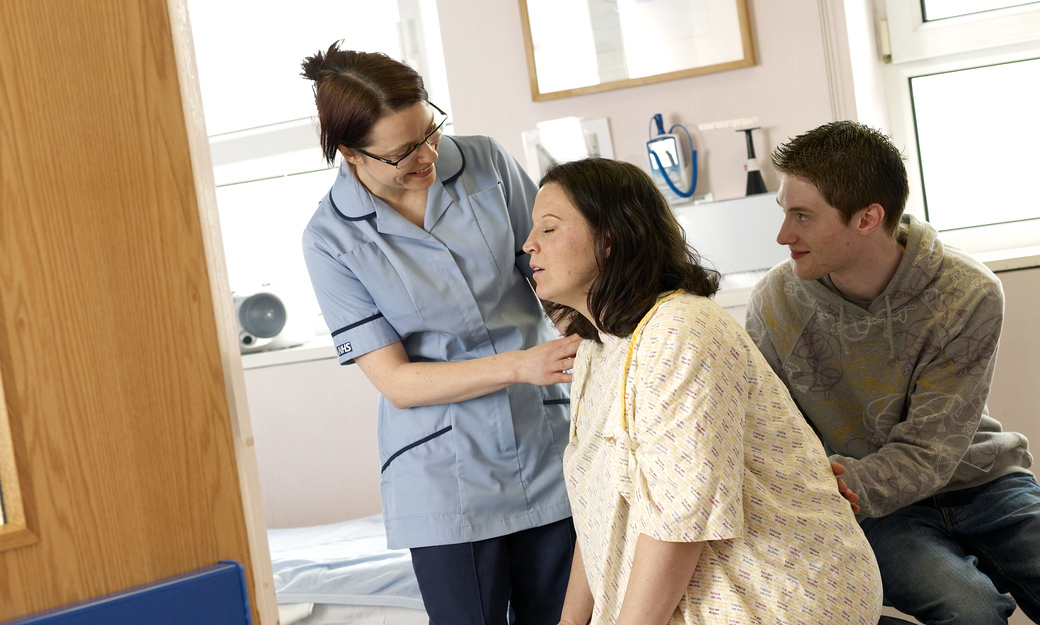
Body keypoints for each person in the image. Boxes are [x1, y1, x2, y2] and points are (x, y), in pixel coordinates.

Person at [523, 157, 883, 625]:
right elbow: (599, 512)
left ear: (610, 237)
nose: (529, 244)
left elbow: (678, 526)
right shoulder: (599, 346)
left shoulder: (679, 332)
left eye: (549, 229)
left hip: (776, 597)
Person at [299, 43, 580, 625]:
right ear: (351, 154)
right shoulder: (330, 238)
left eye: (432, 129)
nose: (428, 154)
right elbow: (397, 381)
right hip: (443, 473)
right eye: (403, 151)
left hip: (546, 442)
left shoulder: (485, 163)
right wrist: (521, 365)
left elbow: (559, 281)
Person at [745, 120, 1040, 625]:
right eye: (784, 212)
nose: (782, 235)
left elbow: (929, 451)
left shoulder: (968, 293)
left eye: (802, 216)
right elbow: (768, 432)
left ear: (867, 218)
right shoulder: (775, 303)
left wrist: (825, 483)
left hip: (983, 481)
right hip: (872, 508)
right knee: (970, 610)